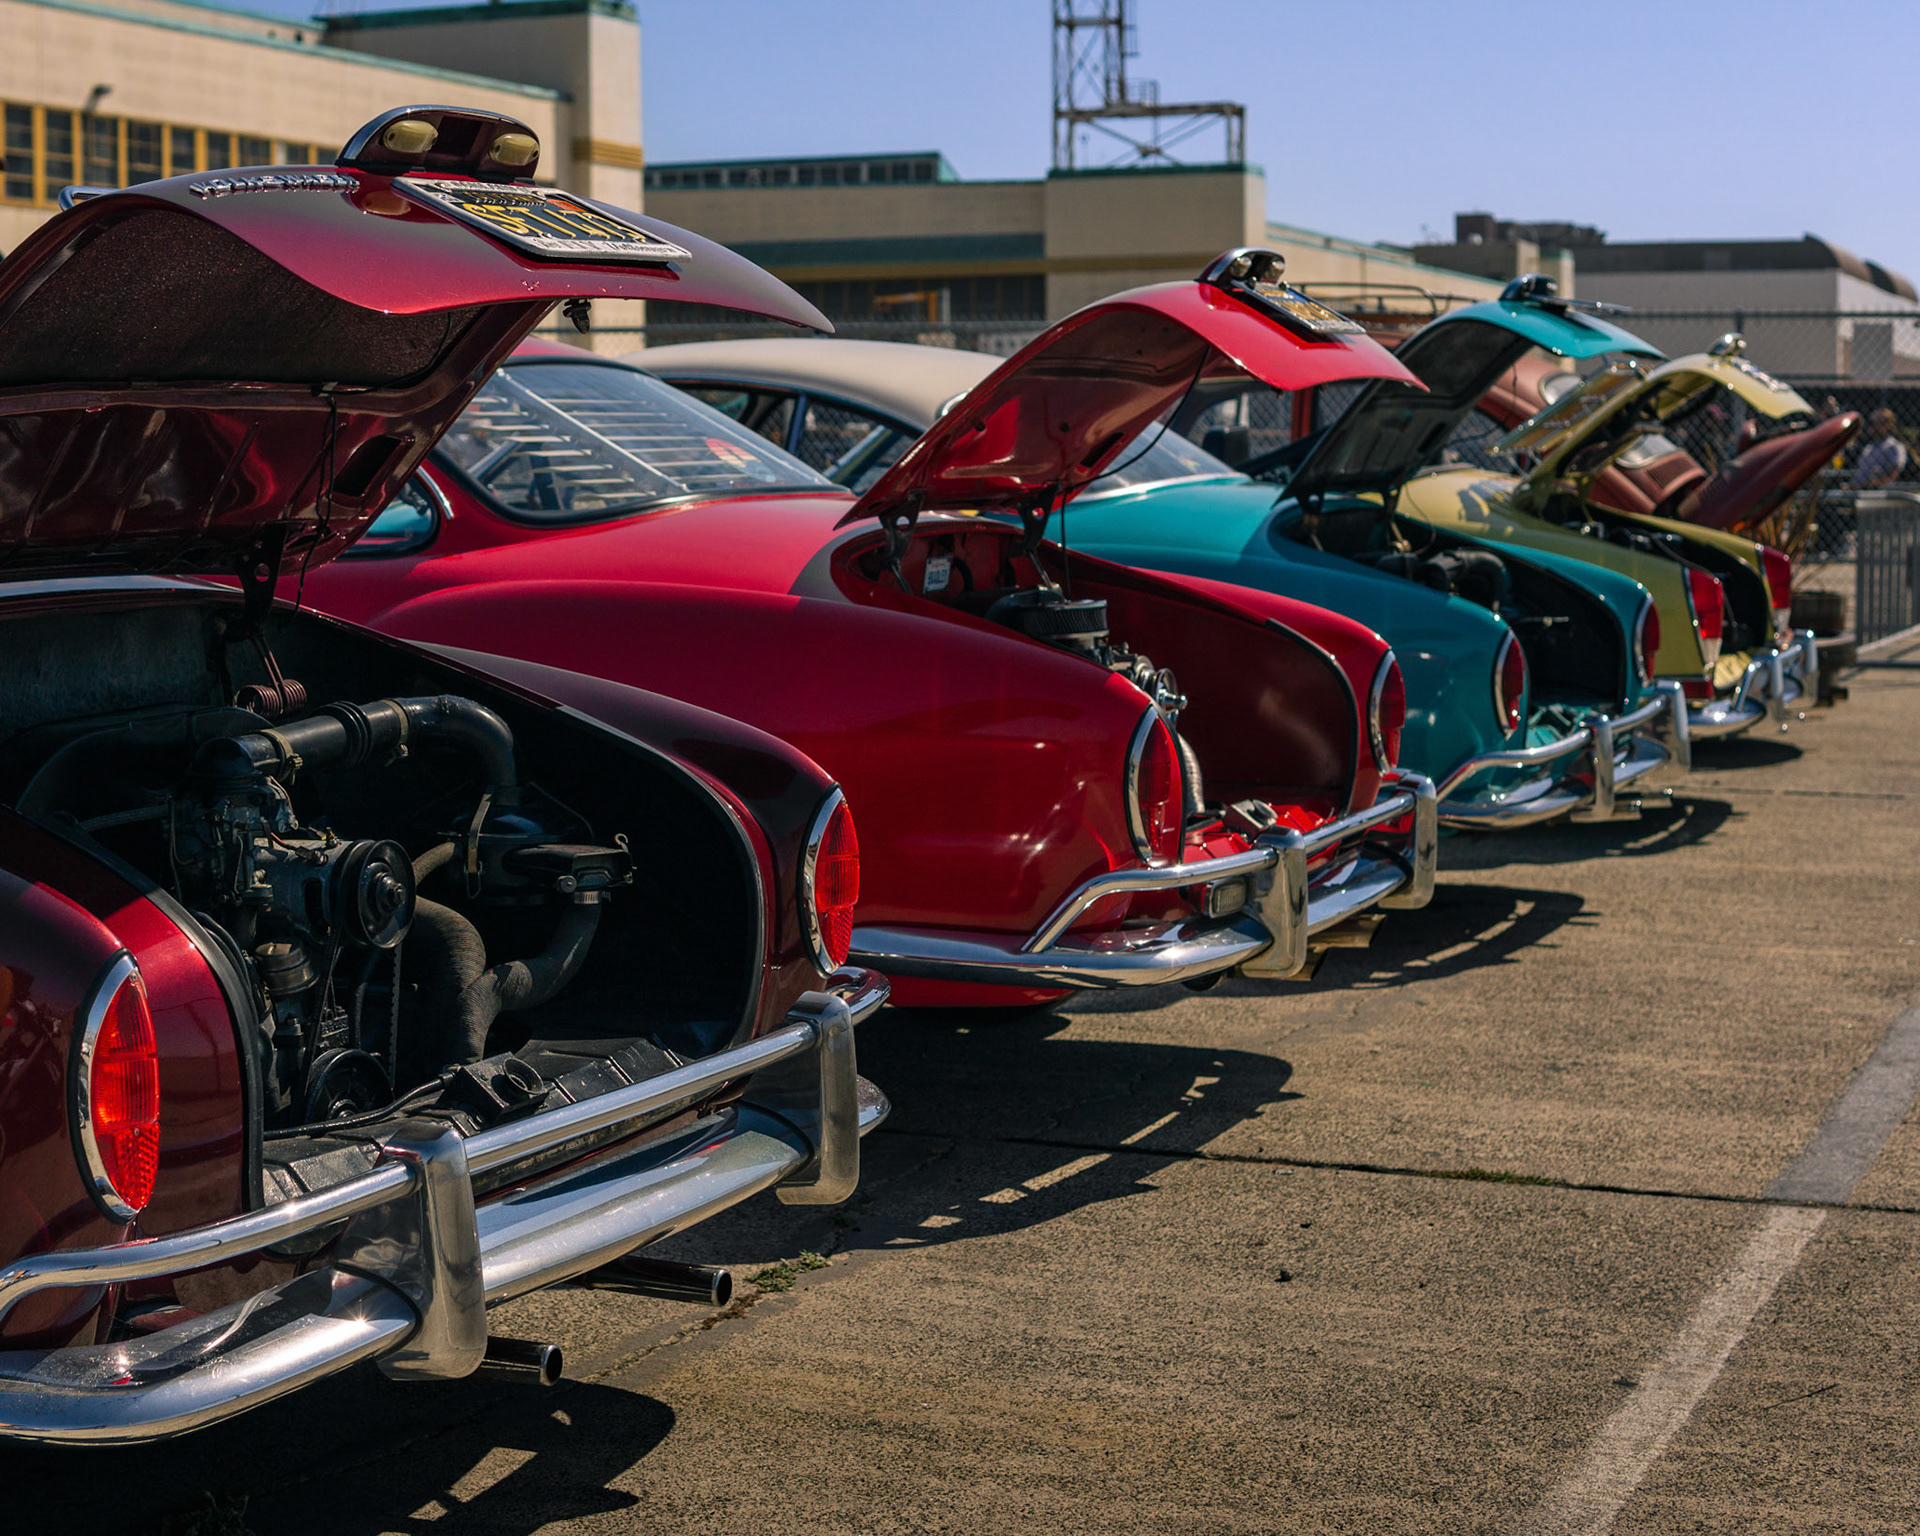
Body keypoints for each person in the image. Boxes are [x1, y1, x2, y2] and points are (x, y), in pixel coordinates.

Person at [1849, 409, 1909, 488]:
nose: (1873, 427)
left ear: (1888, 425)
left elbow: (1892, 478)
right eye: (1872, 423)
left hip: (1881, 494)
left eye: (1877, 423)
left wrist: (1864, 486)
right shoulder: (1868, 448)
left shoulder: (1895, 447)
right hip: (1859, 492)